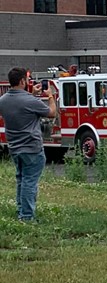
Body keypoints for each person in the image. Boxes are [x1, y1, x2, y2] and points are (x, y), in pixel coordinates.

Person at [0, 68, 58, 222]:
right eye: (26, 79)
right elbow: (52, 113)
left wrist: (31, 94)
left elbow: (19, 106)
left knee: (21, 179)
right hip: (32, 147)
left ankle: (21, 210)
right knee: (30, 181)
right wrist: (50, 96)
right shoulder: (30, 101)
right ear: (22, 81)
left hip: (14, 147)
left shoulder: (3, 100)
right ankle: (26, 216)